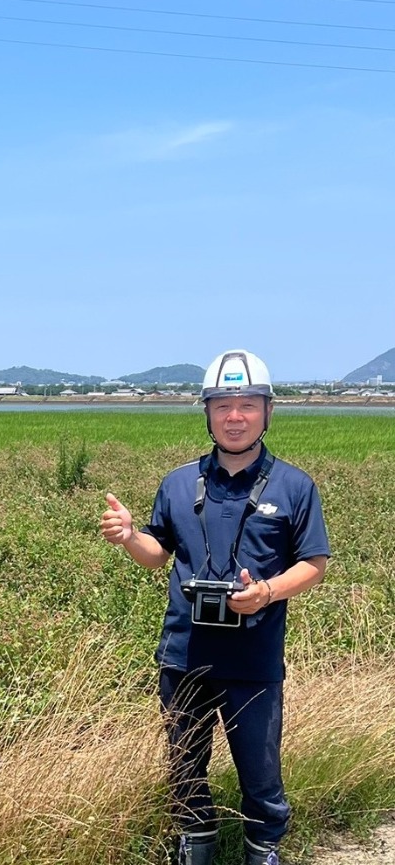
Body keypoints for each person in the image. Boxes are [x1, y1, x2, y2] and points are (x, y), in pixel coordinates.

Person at [99, 350, 330, 865]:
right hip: (185, 654)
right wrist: (130, 536)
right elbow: (157, 556)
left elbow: (314, 563)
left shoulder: (295, 486)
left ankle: (263, 850)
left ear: (268, 412)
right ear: (206, 412)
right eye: (223, 404)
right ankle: (194, 847)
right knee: (185, 767)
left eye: (248, 404)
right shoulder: (179, 483)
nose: (234, 416)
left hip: (253, 660)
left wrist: (267, 592)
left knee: (260, 774)